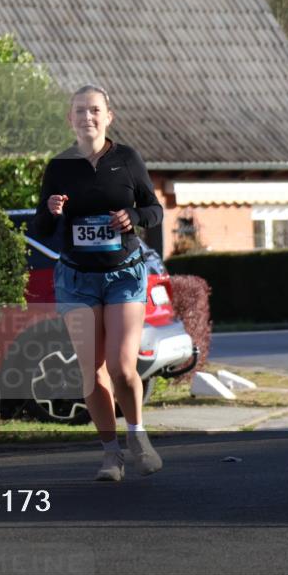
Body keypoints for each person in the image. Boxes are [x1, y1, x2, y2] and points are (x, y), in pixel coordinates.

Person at [33, 85, 164, 482]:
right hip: (76, 279)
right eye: (79, 111)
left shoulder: (127, 159)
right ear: (69, 119)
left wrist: (133, 217)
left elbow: (154, 210)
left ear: (109, 116)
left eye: (94, 110)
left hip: (124, 273)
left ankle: (137, 436)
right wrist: (52, 212)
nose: (87, 117)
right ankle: (111, 454)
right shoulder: (59, 167)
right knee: (90, 372)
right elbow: (41, 227)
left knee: (123, 367)